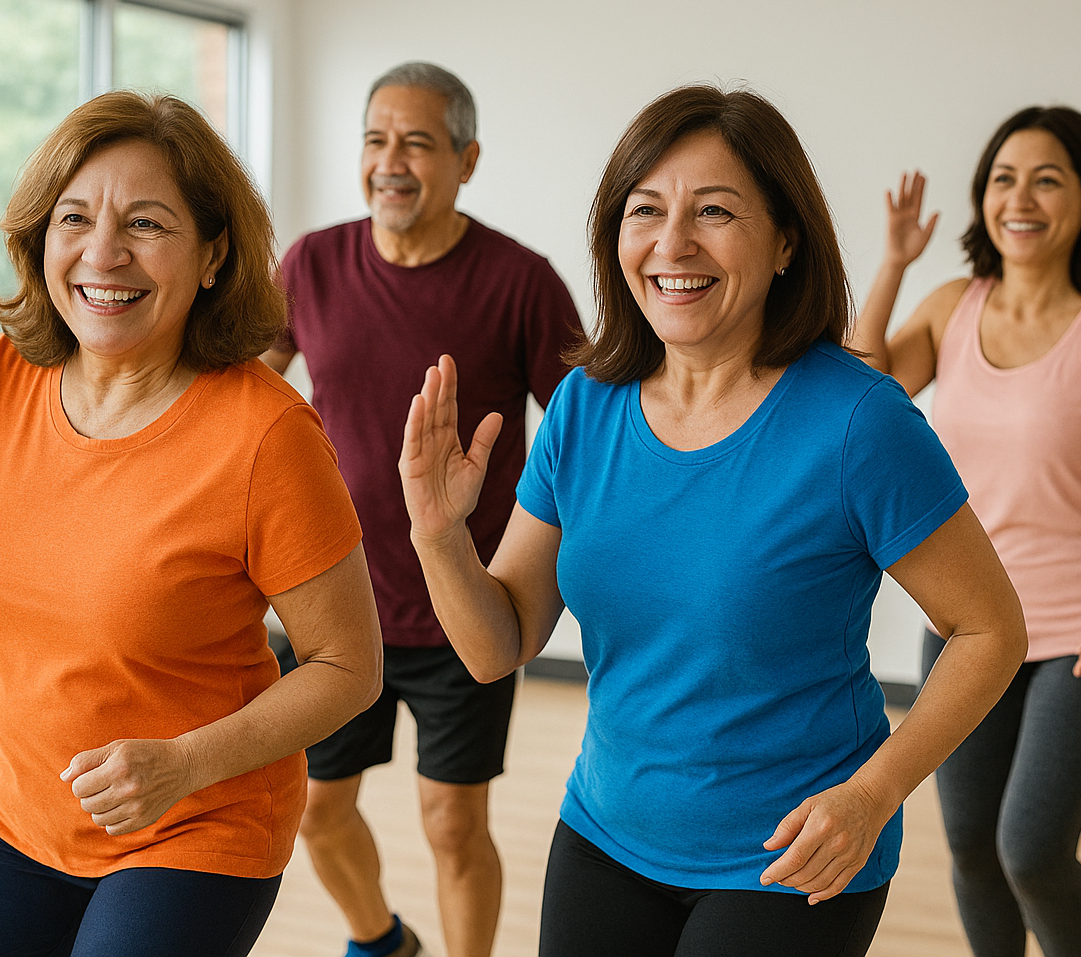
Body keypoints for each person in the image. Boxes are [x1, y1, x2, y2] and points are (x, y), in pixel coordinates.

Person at [398, 84, 1028, 957]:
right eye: (645, 210)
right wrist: (438, 536)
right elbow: (496, 643)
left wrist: (875, 793)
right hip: (606, 833)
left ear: (784, 243)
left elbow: (988, 629)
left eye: (716, 211)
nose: (672, 244)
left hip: (791, 853)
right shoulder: (586, 406)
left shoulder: (857, 422)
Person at [0, 91, 383, 957]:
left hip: (193, 823)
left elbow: (349, 665)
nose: (103, 253)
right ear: (39, 240)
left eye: (148, 224)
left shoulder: (265, 435)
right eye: (74, 218)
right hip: (8, 814)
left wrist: (185, 764)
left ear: (212, 256)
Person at [850, 108, 1081, 957]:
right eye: (1003, 179)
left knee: (1031, 848)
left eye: (1047, 179)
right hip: (968, 623)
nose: (1020, 198)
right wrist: (895, 264)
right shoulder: (953, 308)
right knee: (974, 851)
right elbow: (863, 394)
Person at [263, 61, 580, 957]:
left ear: (467, 159)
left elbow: (590, 434)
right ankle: (382, 941)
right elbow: (245, 397)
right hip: (334, 603)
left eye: (417, 142)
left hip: (461, 608)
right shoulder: (313, 263)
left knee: (451, 823)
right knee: (317, 814)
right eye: (375, 140)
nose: (390, 162)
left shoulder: (521, 280)